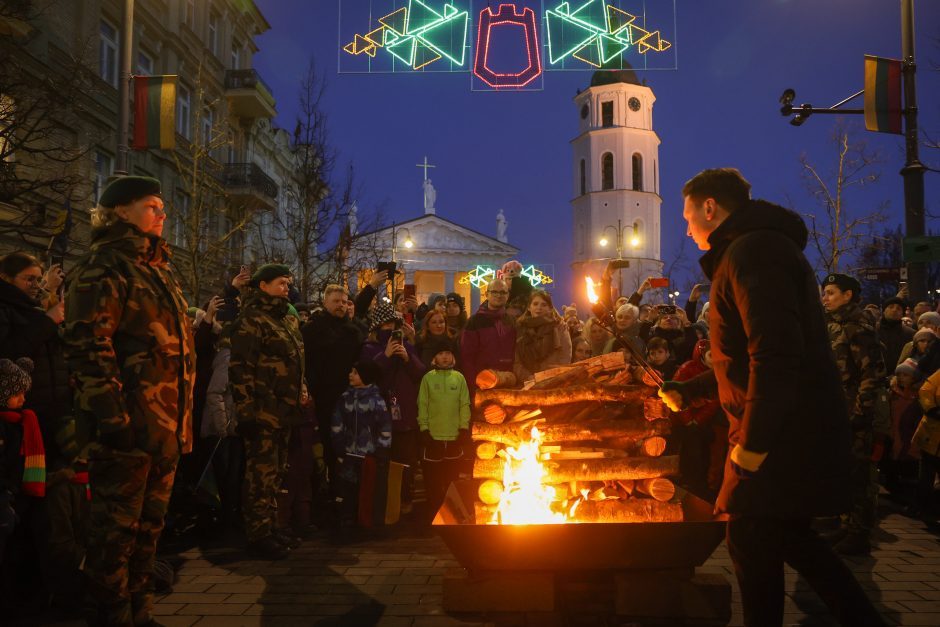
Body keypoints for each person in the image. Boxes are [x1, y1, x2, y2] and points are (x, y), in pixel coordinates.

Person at [659, 168, 884, 627]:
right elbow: (739, 357)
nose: (686, 228)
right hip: (780, 428)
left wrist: (755, 444)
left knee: (751, 537)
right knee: (787, 540)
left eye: (687, 217)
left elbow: (776, 353)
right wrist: (691, 389)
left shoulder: (754, 252)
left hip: (780, 435)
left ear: (710, 207)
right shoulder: (746, 252)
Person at [63, 176, 196, 627]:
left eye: (161, 207)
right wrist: (113, 419)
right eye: (152, 205)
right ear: (121, 211)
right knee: (113, 536)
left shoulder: (157, 270)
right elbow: (88, 347)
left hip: (163, 429)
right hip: (126, 431)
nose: (161, 214)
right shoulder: (105, 266)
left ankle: (140, 612)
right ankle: (111, 615)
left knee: (147, 533)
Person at [228, 264, 306, 560]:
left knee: (276, 472)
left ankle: (272, 525)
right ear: (263, 286)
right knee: (260, 474)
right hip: (262, 410)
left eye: (288, 283)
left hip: (283, 409)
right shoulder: (252, 320)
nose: (286, 288)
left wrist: (301, 389)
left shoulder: (284, 319)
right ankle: (258, 533)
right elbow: (241, 367)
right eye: (281, 284)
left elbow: (296, 358)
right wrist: (245, 410)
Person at [820, 273, 888, 556]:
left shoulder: (858, 326)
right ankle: (847, 524)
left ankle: (860, 531)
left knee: (860, 474)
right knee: (843, 470)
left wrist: (862, 412)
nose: (826, 298)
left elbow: (871, 373)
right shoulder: (832, 325)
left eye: (832, 293)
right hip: (837, 409)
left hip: (855, 411)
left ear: (848, 296)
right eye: (825, 293)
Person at [359, 302, 425, 511]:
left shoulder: (408, 346)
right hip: (379, 415)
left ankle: (404, 500)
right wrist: (385, 355)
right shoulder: (368, 349)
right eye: (387, 324)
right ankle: (382, 504)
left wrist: (408, 358)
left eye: (395, 324)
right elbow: (366, 377)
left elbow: (420, 375)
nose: (391, 329)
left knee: (406, 461)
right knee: (381, 461)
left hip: (404, 414)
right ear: (378, 327)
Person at [302, 284, 364, 477]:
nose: (341, 305)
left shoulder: (353, 332)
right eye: (336, 301)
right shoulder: (312, 329)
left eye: (344, 302)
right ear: (325, 302)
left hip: (345, 397)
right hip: (320, 397)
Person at [330, 360, 391, 531]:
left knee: (367, 487)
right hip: (348, 453)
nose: (351, 375)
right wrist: (339, 447)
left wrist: (382, 449)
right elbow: (337, 425)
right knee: (347, 487)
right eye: (351, 371)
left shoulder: (376, 400)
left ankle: (367, 520)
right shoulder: (344, 398)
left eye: (355, 372)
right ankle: (347, 518)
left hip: (369, 455)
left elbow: (384, 427)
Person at [417, 342, 470, 524]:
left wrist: (464, 428)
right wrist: (424, 430)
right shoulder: (428, 379)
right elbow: (422, 404)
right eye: (441, 353)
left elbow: (464, 404)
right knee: (433, 482)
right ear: (434, 358)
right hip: (433, 437)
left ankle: (451, 516)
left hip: (454, 437)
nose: (445, 357)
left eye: (448, 353)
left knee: (451, 481)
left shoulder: (459, 378)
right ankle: (433, 516)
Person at [461, 278, 516, 398]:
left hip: (508, 382)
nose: (499, 295)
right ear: (487, 294)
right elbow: (467, 356)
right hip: (482, 383)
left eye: (503, 292)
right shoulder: (474, 322)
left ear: (508, 295)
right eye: (494, 292)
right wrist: (474, 383)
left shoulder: (512, 321)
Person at [513, 290, 572, 383]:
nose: (539, 308)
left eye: (544, 305)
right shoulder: (520, 329)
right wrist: (527, 377)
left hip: (553, 381)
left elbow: (565, 356)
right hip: (527, 382)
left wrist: (552, 376)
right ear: (529, 307)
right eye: (535, 304)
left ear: (550, 308)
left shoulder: (559, 327)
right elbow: (515, 359)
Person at [878, 296, 914, 369]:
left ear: (902, 314)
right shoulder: (872, 330)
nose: (894, 310)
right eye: (891, 307)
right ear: (884, 311)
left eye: (898, 308)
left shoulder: (910, 334)